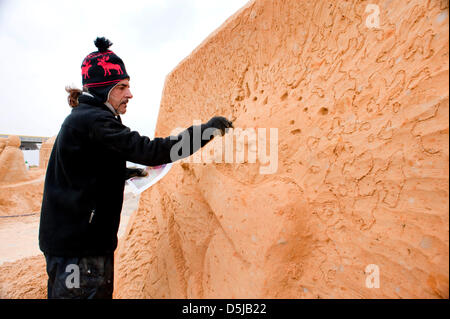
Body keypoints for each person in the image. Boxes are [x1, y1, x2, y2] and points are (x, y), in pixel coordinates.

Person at [38, 37, 233, 299]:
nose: (129, 94)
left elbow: (82, 172)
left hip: (77, 243)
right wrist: (205, 132)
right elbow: (151, 151)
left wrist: (123, 173)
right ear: (103, 90)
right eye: (122, 87)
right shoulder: (94, 120)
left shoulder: (85, 119)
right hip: (79, 249)